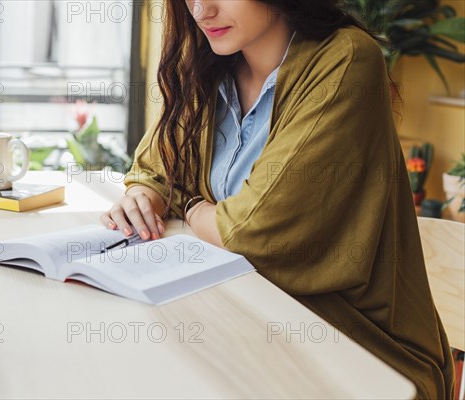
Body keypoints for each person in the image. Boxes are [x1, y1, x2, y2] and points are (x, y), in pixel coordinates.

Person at [101, 1, 454, 397]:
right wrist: (144, 195)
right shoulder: (210, 61)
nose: (201, 10)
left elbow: (251, 230)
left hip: (357, 350)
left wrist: (193, 207)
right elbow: (159, 167)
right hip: (244, 320)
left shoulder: (346, 60)